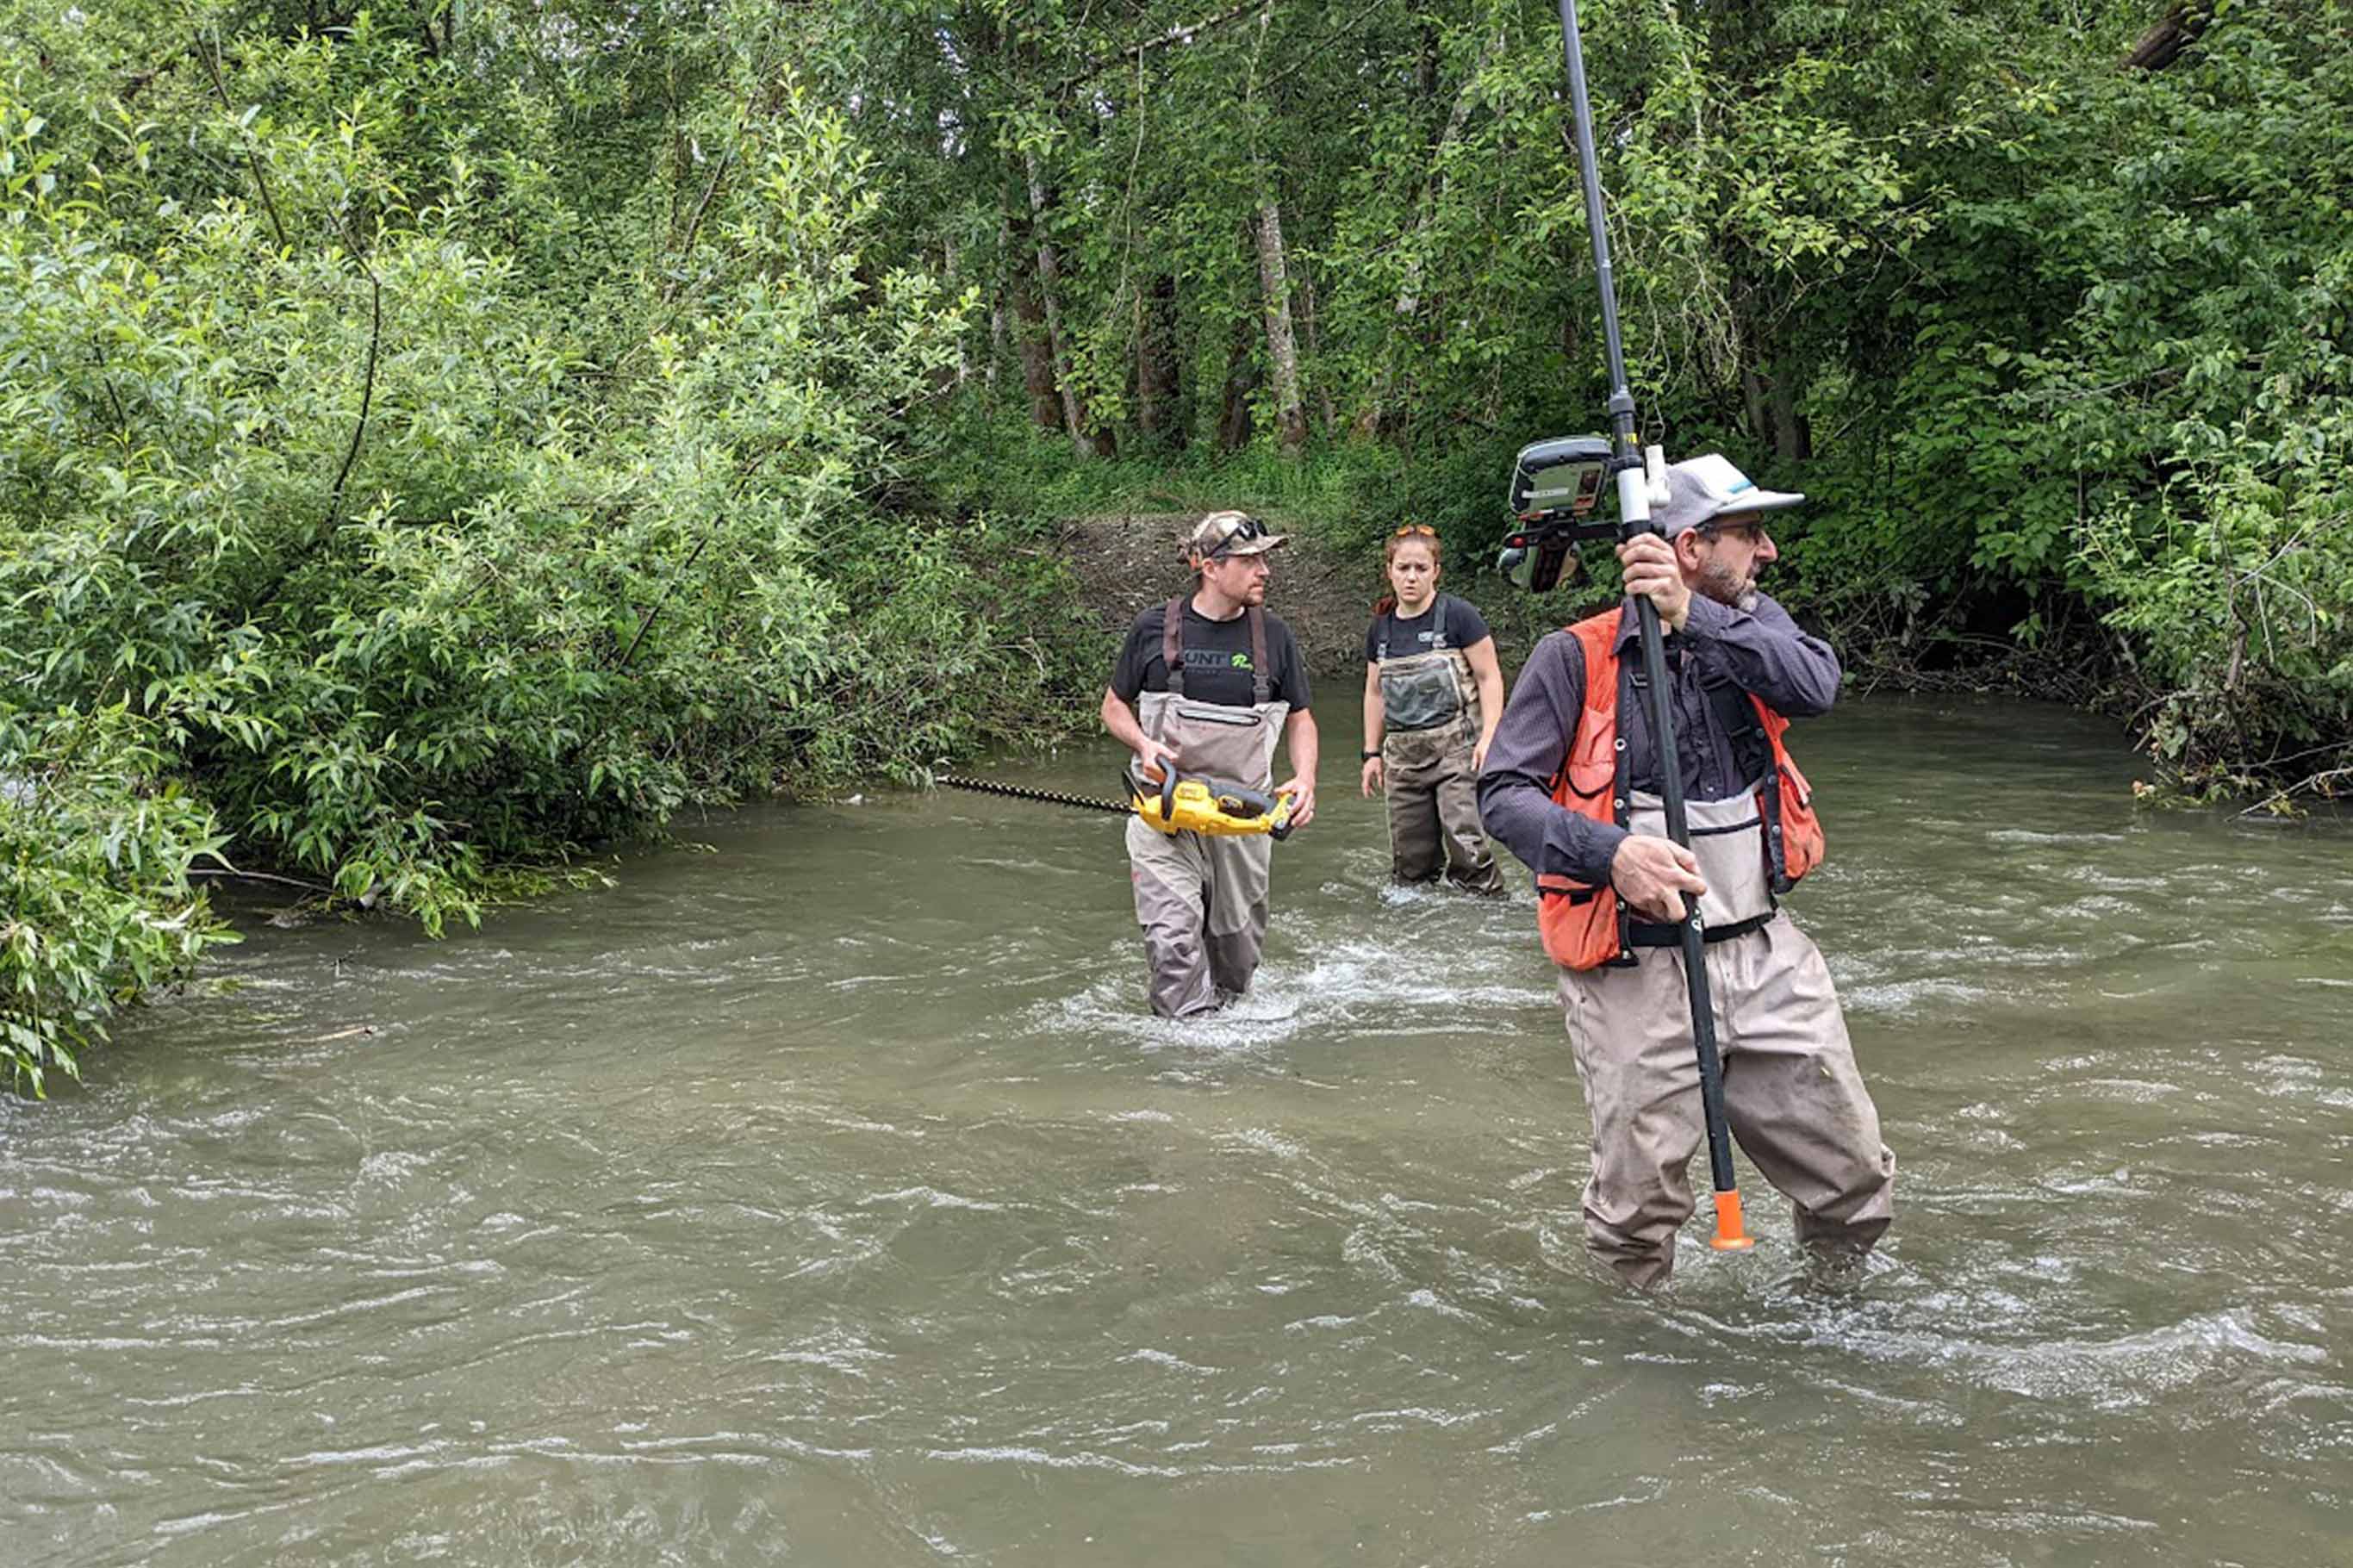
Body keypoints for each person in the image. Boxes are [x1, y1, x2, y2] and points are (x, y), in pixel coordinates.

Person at [1478, 454, 1894, 1289]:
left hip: (1766, 951)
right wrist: (1612, 855)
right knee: (1636, 1212)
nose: (1767, 551)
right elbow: (1501, 795)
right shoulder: (1573, 656)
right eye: (1750, 534)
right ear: (1692, 544)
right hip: (1633, 965)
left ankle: (1837, 1312)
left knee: (1852, 1180)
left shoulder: (1751, 625)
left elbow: (1817, 685)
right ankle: (1639, 1359)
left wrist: (1692, 620)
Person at [1100, 512, 1320, 1018]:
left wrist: (1305, 778)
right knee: (1174, 950)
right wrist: (1142, 744)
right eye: (1250, 560)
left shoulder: (1277, 638)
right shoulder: (1154, 628)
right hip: (1164, 819)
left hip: (1243, 825)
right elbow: (1113, 708)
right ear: (1210, 567)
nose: (1264, 570)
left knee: (1235, 972)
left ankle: (1225, 1062)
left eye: (1265, 559)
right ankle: (1184, 1068)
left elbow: (1302, 718)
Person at [1359, 526, 1506, 893]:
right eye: (1403, 567)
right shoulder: (1381, 629)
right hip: (1403, 759)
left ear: (1436, 571)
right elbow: (1374, 693)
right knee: (1410, 864)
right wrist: (1371, 754)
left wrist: (1490, 737)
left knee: (1467, 844)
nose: (1411, 577)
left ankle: (1484, 908)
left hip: (1458, 751)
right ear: (1389, 570)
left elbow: (1489, 677)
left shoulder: (1459, 615)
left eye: (1421, 568)